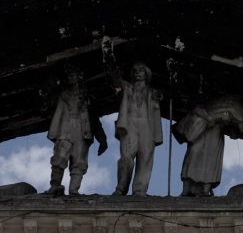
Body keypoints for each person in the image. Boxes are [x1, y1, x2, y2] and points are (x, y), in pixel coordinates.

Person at [45, 66, 108, 196]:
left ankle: (74, 190)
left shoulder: (87, 97)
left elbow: (95, 119)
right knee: (60, 156)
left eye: (73, 75)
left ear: (79, 77)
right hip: (65, 127)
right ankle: (55, 186)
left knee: (79, 160)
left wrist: (102, 139)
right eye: (69, 76)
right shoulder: (62, 95)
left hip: (82, 129)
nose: (71, 78)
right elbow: (51, 108)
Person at [173, 96, 243, 197]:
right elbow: (197, 110)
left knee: (211, 162)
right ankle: (186, 189)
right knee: (193, 155)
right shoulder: (205, 104)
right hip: (201, 133)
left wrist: (227, 122)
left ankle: (205, 190)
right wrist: (208, 118)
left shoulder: (232, 110)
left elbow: (234, 134)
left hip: (215, 135)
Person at [110, 62, 163, 196]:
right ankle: (121, 187)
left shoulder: (153, 92)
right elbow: (115, 81)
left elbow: (166, 95)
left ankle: (139, 189)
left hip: (147, 126)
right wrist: (111, 65)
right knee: (126, 156)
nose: (137, 73)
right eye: (135, 71)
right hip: (130, 125)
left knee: (145, 157)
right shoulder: (127, 87)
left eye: (141, 71)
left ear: (146, 75)